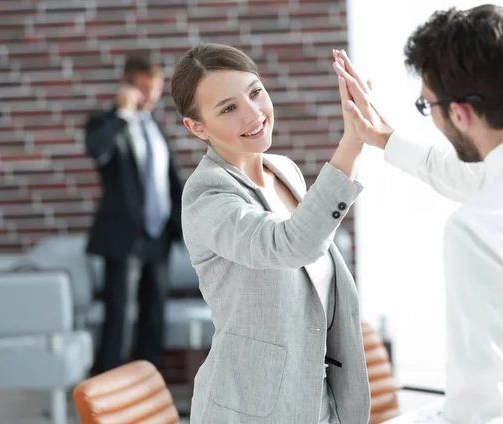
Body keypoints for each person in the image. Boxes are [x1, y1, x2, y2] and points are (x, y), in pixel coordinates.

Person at [333, 5, 503, 424]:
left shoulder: (479, 231)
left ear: (460, 112)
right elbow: (473, 176)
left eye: (427, 106)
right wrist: (383, 138)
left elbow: (480, 411)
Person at [170, 43, 370, 424]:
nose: (253, 114)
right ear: (197, 127)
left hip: (315, 399)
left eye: (255, 92)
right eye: (228, 108)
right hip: (250, 408)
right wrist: (352, 145)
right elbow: (292, 245)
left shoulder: (285, 170)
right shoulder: (206, 195)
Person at [85, 54, 183, 373]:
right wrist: (122, 112)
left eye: (155, 88)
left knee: (153, 320)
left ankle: (147, 393)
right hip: (123, 239)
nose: (151, 96)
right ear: (126, 84)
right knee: (119, 320)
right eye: (144, 88)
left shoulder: (154, 125)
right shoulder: (106, 123)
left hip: (159, 237)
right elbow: (97, 151)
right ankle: (110, 399)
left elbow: (167, 181)